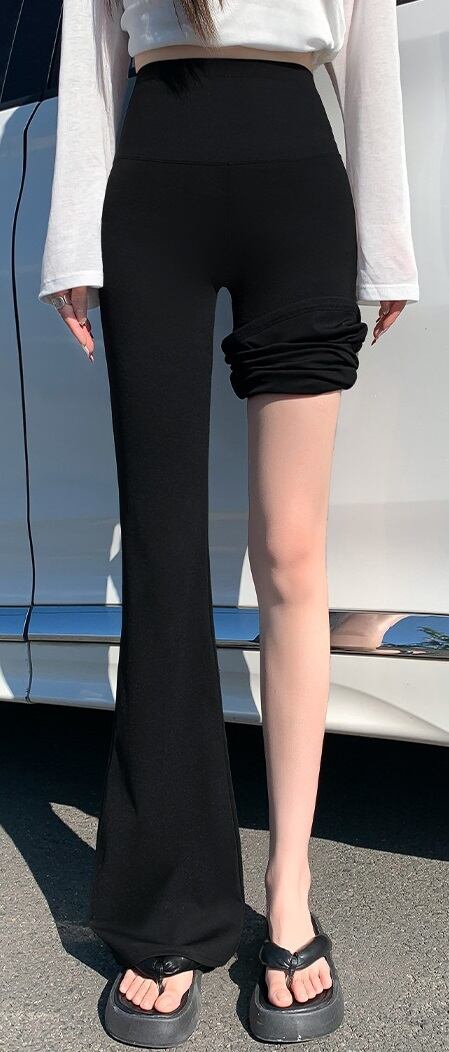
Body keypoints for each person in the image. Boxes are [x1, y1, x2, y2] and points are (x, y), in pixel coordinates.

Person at [38, 0, 419, 1045]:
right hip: (152, 180)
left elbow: (368, 48)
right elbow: (89, 47)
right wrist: (73, 242)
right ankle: (168, 903)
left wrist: (386, 248)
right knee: (161, 552)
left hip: (297, 182)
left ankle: (288, 890)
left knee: (290, 552)